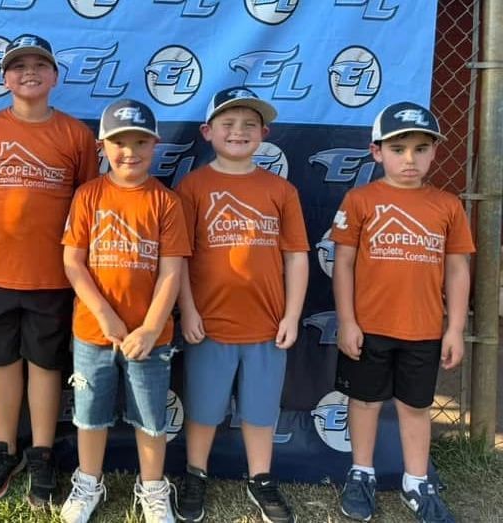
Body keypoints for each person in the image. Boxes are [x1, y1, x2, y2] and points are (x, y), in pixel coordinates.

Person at [0, 34, 98, 505]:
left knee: (45, 363)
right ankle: (4, 448)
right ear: (5, 78)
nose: (29, 72)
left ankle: (41, 453)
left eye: (40, 64)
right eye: (18, 66)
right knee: (2, 360)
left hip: (54, 274)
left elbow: (88, 199)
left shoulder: (77, 134)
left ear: (56, 76)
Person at [332, 102, 473, 523]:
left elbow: (457, 267)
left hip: (424, 329)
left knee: (415, 406)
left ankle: (416, 480)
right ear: (377, 152)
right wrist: (348, 321)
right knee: (365, 402)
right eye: (398, 149)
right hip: (370, 326)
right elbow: (342, 263)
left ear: (434, 152)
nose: (409, 159)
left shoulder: (447, 205)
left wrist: (455, 328)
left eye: (420, 148)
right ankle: (361, 473)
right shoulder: (360, 199)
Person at [174, 87, 309, 523]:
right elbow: (179, 257)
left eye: (250, 124)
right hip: (210, 323)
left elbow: (296, 256)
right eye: (228, 124)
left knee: (260, 410)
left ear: (265, 133)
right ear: (207, 131)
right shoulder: (193, 186)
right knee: (204, 409)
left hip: (267, 324)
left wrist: (291, 314)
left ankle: (261, 478)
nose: (239, 132)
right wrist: (188, 310)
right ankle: (195, 474)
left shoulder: (281, 190)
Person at [58, 99, 188, 523]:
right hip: (93, 332)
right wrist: (104, 315)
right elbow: (73, 262)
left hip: (151, 337)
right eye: (119, 143)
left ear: (155, 145)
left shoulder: (166, 203)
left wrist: (150, 328)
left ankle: (152, 488)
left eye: (139, 142)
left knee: (151, 419)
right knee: (89, 415)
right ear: (102, 146)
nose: (129, 152)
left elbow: (172, 272)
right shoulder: (88, 195)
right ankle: (88, 482)